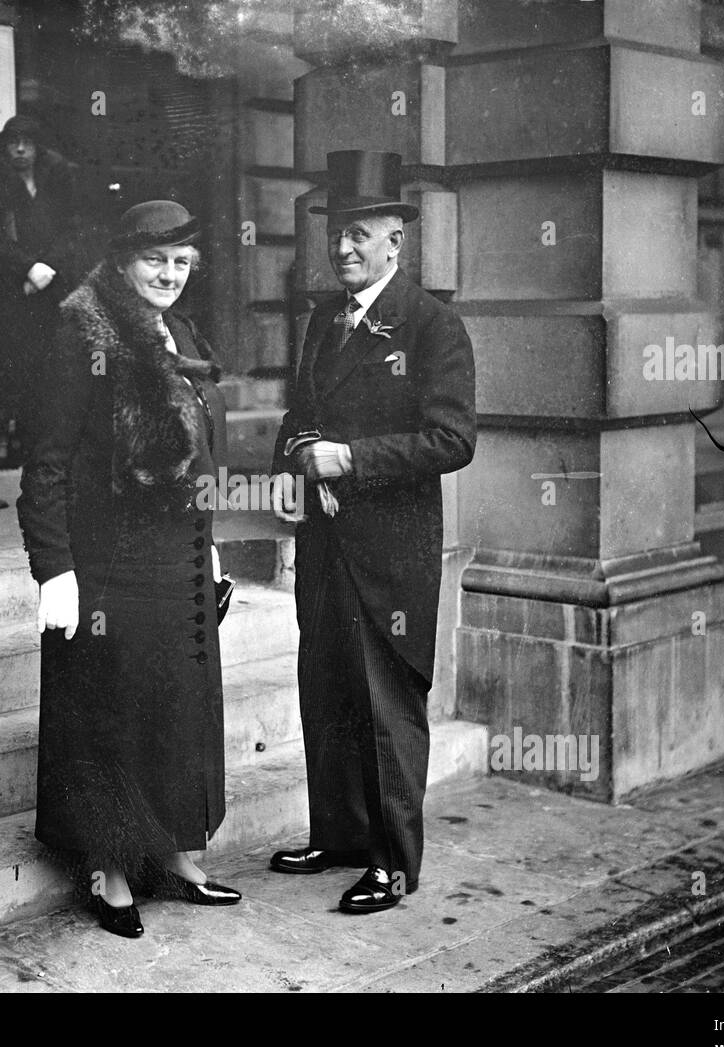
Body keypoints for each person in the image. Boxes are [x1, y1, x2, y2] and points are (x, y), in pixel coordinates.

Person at [17, 200, 241, 939]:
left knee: (179, 709)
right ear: (122, 261)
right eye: (155, 261)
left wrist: (207, 543)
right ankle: (110, 870)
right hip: (109, 563)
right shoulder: (83, 329)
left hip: (177, 560)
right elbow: (46, 461)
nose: (169, 275)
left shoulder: (179, 332)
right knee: (112, 712)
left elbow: (200, 448)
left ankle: (176, 850)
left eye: (181, 262)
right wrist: (54, 568)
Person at [267, 151, 476, 912]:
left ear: (396, 239)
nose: (345, 249)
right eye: (336, 235)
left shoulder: (430, 325)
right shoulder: (325, 319)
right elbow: (298, 418)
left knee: (387, 704)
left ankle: (391, 860)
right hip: (326, 547)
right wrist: (301, 455)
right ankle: (341, 833)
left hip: (390, 552)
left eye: (361, 234)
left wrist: (348, 460)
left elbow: (452, 440)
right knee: (325, 689)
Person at [0, 115, 78, 467]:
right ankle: (2, 435)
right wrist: (27, 268)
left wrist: (48, 267)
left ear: (38, 146)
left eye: (27, 142)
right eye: (13, 142)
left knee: (46, 358)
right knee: (4, 359)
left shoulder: (57, 177)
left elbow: (71, 228)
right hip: (7, 286)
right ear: (4, 146)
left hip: (51, 284)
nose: (19, 149)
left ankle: (33, 437)